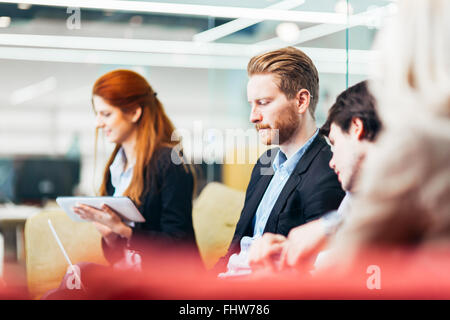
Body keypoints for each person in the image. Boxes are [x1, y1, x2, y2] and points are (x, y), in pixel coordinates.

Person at [215, 47, 345, 276]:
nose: (253, 116)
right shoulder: (265, 163)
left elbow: (315, 271)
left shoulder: (328, 171)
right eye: (251, 104)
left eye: (263, 103)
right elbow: (235, 249)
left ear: (301, 101)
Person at [247, 81, 382, 272]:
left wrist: (327, 227)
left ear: (355, 128)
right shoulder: (356, 198)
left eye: (335, 144)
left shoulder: (413, 195)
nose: (332, 160)